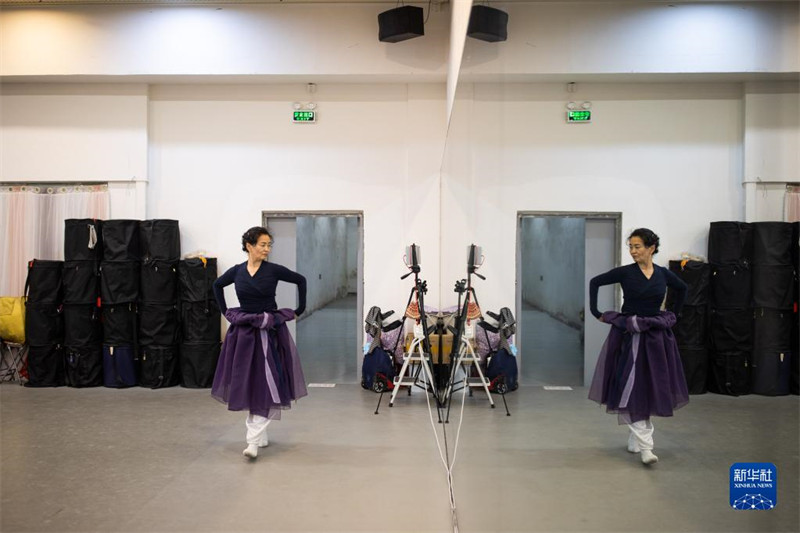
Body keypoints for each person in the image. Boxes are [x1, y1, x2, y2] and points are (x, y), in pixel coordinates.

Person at [587, 228, 689, 465]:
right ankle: (646, 447)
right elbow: (595, 282)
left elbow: (682, 288)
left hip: (655, 337)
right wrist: (596, 312)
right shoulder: (625, 273)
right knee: (629, 385)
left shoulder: (663, 274)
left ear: (651, 248)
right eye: (630, 247)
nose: (633, 251)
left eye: (637, 246)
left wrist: (676, 314)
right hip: (630, 334)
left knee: (648, 385)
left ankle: (635, 441)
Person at [211, 226, 308, 459]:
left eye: (269, 245)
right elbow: (216, 286)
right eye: (263, 245)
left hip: (268, 331)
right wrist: (225, 312)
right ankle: (261, 436)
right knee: (251, 380)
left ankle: (252, 441)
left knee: (269, 380)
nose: (267, 249)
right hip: (244, 334)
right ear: (249, 246)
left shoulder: (273, 271)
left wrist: (299, 309)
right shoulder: (236, 272)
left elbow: (300, 280)